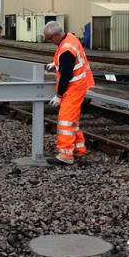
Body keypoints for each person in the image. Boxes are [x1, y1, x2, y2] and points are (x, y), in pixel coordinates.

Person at [43, 20, 95, 165]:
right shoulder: (70, 38)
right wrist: (56, 64)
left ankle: (66, 154)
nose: (50, 42)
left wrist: (59, 95)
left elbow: (66, 75)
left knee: (65, 120)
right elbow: (67, 63)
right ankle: (78, 150)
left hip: (74, 86)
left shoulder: (66, 49)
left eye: (50, 39)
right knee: (72, 120)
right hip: (79, 84)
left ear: (58, 34)